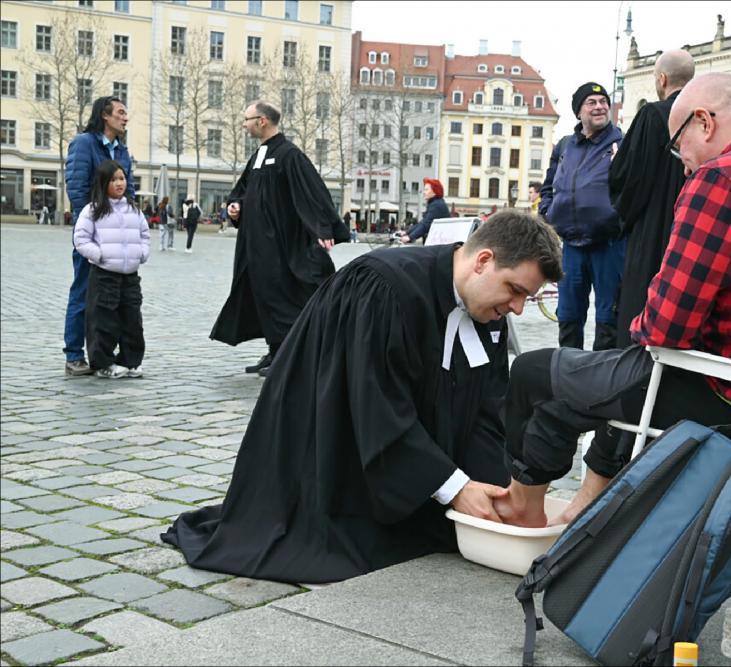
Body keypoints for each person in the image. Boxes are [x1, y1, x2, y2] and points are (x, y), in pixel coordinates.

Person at [491, 73, 731, 530]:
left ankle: (522, 510)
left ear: (703, 122)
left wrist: (648, 317)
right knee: (609, 375)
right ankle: (586, 509)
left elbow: (665, 328)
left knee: (535, 374)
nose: (682, 162)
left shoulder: (723, 178)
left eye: (677, 145)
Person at [162, 211, 563, 583]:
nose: (518, 309)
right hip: (337, 456)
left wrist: (501, 491)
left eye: (528, 297)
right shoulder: (383, 287)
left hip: (405, 458)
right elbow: (376, 410)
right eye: (515, 290)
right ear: (482, 261)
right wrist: (456, 488)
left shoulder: (487, 310)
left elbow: (485, 412)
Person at [210, 101, 349, 377]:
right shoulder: (259, 155)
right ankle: (276, 350)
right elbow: (242, 190)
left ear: (262, 121)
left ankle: (287, 354)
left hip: (280, 245)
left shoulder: (289, 155)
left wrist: (323, 229)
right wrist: (235, 206)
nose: (244, 124)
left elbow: (313, 192)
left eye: (247, 119)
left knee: (282, 296)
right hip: (256, 245)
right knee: (262, 296)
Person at [609, 49, 693, 349]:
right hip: (691, 233)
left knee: (642, 306)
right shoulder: (704, 118)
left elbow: (628, 180)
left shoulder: (653, 115)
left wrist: (618, 161)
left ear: (662, 79)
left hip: (652, 229)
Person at [540, 82, 625, 351]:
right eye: (592, 102)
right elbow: (548, 184)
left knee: (608, 317)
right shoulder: (566, 146)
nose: (599, 106)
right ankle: (567, 373)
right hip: (571, 245)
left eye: (603, 101)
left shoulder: (621, 144)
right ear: (579, 111)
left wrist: (617, 217)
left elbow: (634, 188)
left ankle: (603, 381)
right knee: (568, 315)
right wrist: (548, 211)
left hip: (609, 244)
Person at [63, 96, 134, 377]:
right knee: (82, 292)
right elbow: (77, 189)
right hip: (92, 234)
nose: (125, 118)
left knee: (110, 298)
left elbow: (127, 193)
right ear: (105, 116)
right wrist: (93, 228)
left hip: (117, 238)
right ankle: (73, 355)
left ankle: (102, 355)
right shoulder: (84, 144)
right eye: (120, 112)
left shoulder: (122, 151)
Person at [72, 160, 149, 379]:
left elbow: (145, 234)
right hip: (105, 274)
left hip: (130, 275)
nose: (119, 183)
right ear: (104, 183)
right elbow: (81, 239)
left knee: (132, 319)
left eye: (122, 179)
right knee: (103, 320)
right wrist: (100, 255)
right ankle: (102, 362)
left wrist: (142, 253)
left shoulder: (134, 209)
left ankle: (131, 361)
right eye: (114, 179)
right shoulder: (93, 210)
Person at [401, 178, 449, 244]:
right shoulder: (434, 203)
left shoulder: (436, 205)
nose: (424, 192)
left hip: (438, 244)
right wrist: (407, 232)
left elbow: (426, 225)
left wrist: (410, 237)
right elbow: (422, 223)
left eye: (426, 190)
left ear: (435, 191)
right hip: (436, 243)